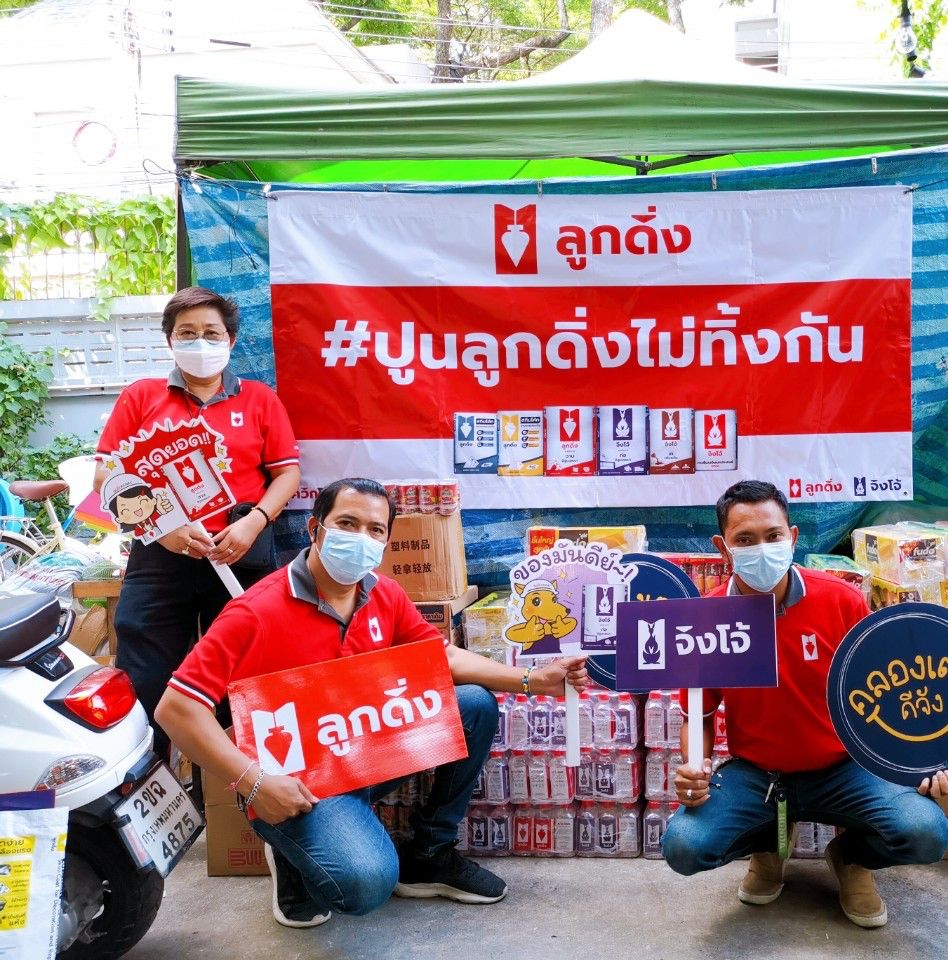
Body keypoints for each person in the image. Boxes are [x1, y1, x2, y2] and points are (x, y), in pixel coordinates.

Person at [155, 478, 589, 928]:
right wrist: (256, 782)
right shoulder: (255, 612)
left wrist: (532, 680)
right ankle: (292, 851)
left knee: (472, 706)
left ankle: (429, 853)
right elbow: (176, 708)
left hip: (362, 751)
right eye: (347, 523)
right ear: (315, 529)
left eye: (375, 529)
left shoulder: (383, 593)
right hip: (294, 783)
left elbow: (440, 657)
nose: (361, 538)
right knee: (365, 883)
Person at [661, 480, 948, 928]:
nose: (762, 549)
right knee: (685, 846)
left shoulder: (841, 600)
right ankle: (768, 848)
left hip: (845, 768)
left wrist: (920, 757)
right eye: (746, 539)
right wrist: (694, 767)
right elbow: (697, 714)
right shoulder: (707, 619)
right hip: (757, 774)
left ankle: (851, 858)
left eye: (773, 535)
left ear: (793, 537)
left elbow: (892, 692)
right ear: (723, 547)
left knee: (925, 833)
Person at [94, 287, 301, 758]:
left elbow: (287, 473)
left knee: (243, 674)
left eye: (211, 332)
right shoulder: (141, 396)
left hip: (239, 551)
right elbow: (106, 476)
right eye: (187, 333)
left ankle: (235, 789)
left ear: (231, 340)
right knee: (146, 674)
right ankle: (151, 782)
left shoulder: (259, 399)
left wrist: (256, 521)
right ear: (170, 341)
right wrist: (160, 527)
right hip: (159, 555)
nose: (200, 342)